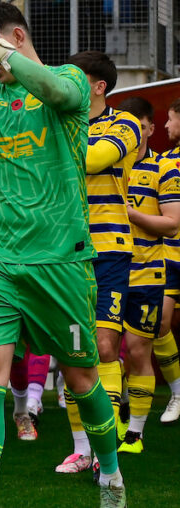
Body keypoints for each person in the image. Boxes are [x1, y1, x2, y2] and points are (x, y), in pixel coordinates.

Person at [0, 2, 126, 506]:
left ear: (15, 36)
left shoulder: (71, 79)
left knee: (83, 375)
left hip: (60, 260)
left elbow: (55, 91)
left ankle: (110, 472)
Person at [55, 50, 140, 475]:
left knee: (104, 346)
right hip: (63, 251)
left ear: (98, 86)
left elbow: (88, 160)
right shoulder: (56, 120)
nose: (64, 84)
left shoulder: (124, 124)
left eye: (74, 77)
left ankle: (107, 449)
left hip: (109, 248)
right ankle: (81, 448)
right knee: (74, 350)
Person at [117, 96, 180, 452]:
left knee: (139, 349)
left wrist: (130, 213)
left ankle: (135, 434)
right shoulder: (107, 168)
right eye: (125, 128)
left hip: (147, 273)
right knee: (105, 351)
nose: (131, 135)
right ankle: (117, 415)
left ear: (150, 129)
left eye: (138, 128)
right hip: (108, 271)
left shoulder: (163, 169)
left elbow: (171, 225)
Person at [154, 98, 180, 424]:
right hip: (170, 256)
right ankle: (177, 392)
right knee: (159, 323)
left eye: (171, 119)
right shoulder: (164, 161)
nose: (165, 125)